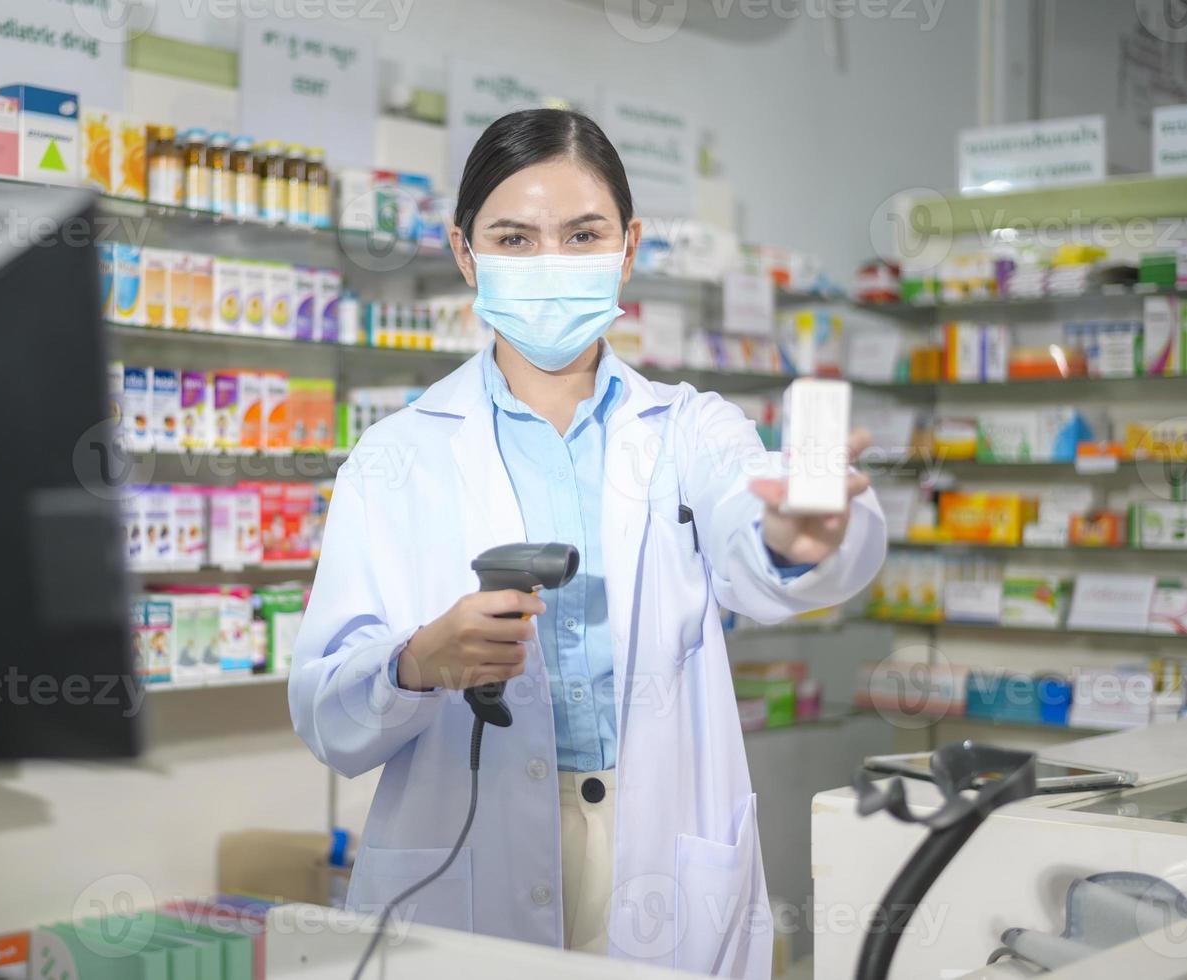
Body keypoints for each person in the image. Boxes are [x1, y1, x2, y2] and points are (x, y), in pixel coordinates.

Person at [288, 108, 885, 979]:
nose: (552, 263)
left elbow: (750, 528)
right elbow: (327, 719)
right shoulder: (396, 454)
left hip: (654, 847)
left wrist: (790, 538)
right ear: (465, 254)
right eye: (514, 239)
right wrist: (417, 661)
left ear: (627, 245)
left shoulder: (690, 428)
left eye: (581, 233)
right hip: (466, 849)